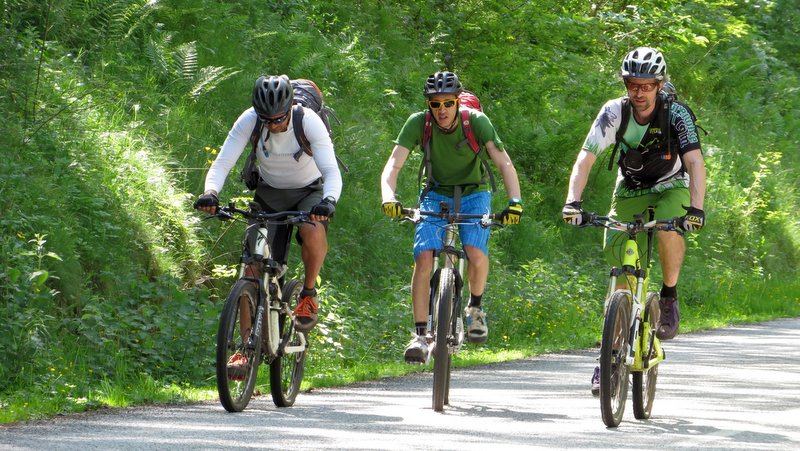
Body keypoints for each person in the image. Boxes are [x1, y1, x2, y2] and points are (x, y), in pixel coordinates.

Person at [561, 47, 706, 394]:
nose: (639, 93)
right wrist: (573, 202)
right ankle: (607, 358)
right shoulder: (614, 112)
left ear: (659, 85)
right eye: (632, 85)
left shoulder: (676, 114)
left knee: (671, 224)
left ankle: (669, 297)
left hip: (672, 185)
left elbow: (696, 163)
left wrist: (696, 210)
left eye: (646, 86)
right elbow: (585, 159)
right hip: (629, 188)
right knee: (620, 276)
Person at [380, 71, 523, 363]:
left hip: (474, 193)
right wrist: (389, 197)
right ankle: (420, 336)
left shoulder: (477, 122)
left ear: (458, 102)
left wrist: (515, 202)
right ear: (428, 106)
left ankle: (475, 308)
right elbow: (393, 166)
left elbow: (503, 162)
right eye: (435, 104)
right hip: (434, 193)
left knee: (474, 251)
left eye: (448, 103)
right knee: (423, 257)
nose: (442, 110)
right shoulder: (418, 123)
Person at [195, 74, 343, 335]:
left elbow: (330, 170)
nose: (273, 125)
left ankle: (308, 294)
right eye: (267, 120)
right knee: (250, 267)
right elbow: (222, 162)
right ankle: (242, 350)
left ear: (289, 109)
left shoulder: (308, 121)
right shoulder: (250, 120)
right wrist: (211, 193)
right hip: (269, 193)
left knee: (312, 229)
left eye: (278, 119)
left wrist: (328, 201)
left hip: (308, 191)